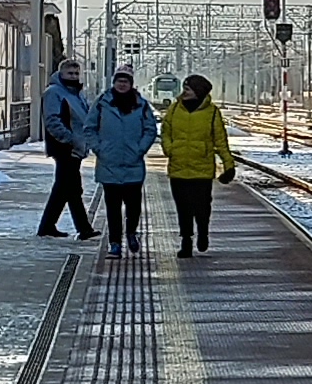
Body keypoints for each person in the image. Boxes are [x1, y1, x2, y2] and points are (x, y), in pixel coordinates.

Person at [159, 72, 236, 257]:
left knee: (202, 207)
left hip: (202, 169)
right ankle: (186, 241)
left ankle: (203, 232)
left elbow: (221, 141)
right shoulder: (174, 109)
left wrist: (229, 165)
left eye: (188, 89)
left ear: (198, 91)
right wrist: (170, 149)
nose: (184, 92)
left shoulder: (212, 113)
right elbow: (166, 132)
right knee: (183, 208)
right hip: (178, 168)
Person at [85, 67, 159, 254]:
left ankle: (131, 232)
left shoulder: (141, 105)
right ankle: (115, 243)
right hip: (109, 163)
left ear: (131, 84)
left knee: (133, 206)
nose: (122, 84)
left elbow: (150, 129)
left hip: (133, 163)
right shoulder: (102, 103)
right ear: (114, 82)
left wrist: (140, 149)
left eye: (126, 81)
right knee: (113, 208)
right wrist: (99, 148)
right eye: (119, 80)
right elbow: (90, 127)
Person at [34, 56, 95, 237]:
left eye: (76, 73)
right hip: (64, 147)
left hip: (76, 146)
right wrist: (70, 139)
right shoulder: (54, 92)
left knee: (63, 188)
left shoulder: (77, 94)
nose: (73, 76)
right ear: (61, 73)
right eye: (69, 73)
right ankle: (83, 229)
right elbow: (52, 120)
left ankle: (47, 227)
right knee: (72, 188)